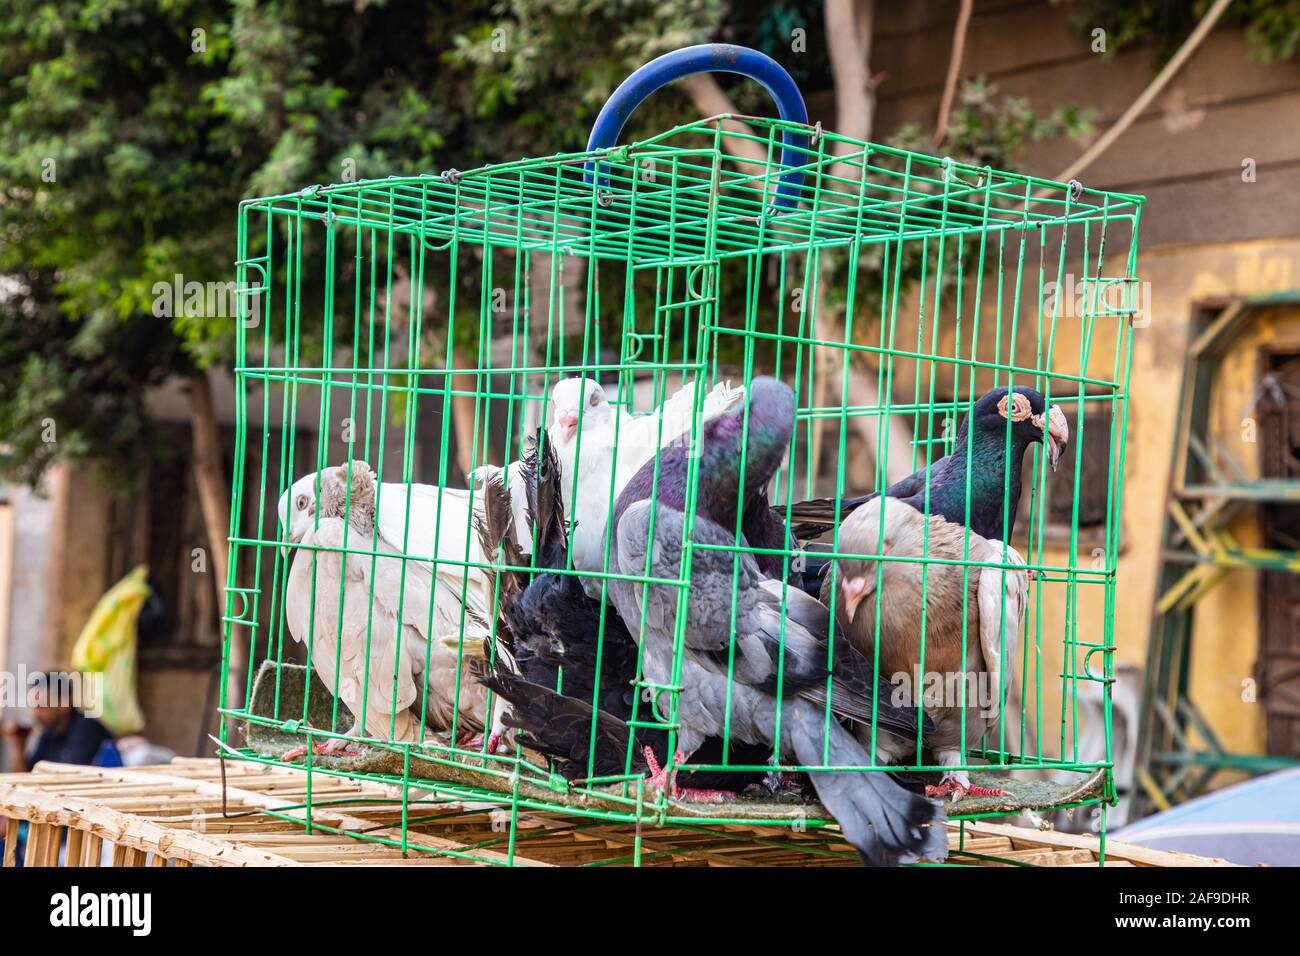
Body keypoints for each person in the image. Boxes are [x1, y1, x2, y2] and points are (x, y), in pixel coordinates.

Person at [1, 671, 113, 773]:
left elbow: (72, 779)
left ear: (64, 704)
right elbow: (25, 777)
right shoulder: (49, 734)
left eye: (42, 706)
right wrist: (19, 747)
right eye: (34, 706)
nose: (35, 714)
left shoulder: (87, 729)